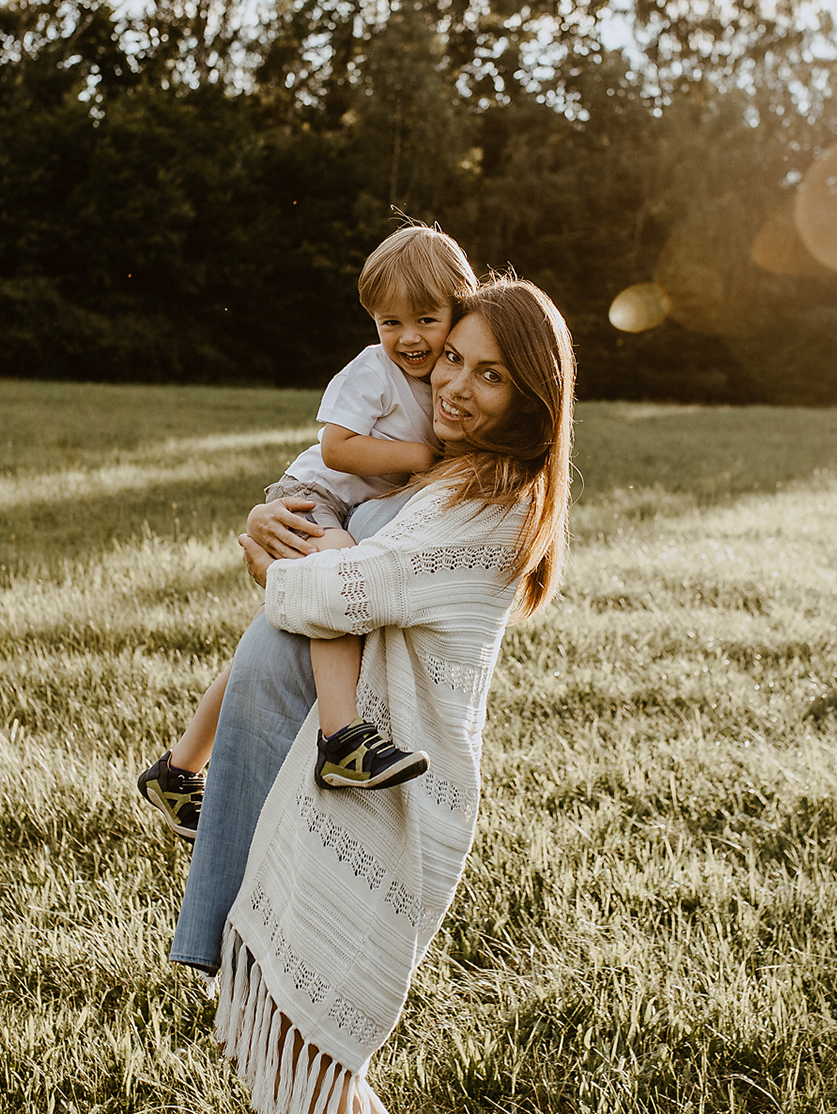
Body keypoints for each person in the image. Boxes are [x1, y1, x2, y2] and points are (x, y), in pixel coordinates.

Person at [171, 277, 576, 1114]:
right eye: (452, 361)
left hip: (374, 789)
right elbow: (329, 505)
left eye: (491, 375)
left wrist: (270, 555)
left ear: (533, 398)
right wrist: (269, 517)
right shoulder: (439, 469)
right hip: (301, 762)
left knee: (314, 1063)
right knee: (292, 1061)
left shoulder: (493, 498)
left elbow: (343, 588)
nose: (456, 387)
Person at [137, 227, 479, 841]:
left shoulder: (445, 381)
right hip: (312, 497)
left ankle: (178, 767)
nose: (407, 338)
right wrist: (420, 457)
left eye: (426, 319)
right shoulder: (374, 370)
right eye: (388, 321)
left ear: (460, 310)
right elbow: (338, 448)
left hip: (340, 508)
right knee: (340, 582)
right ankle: (340, 739)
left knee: (276, 638)